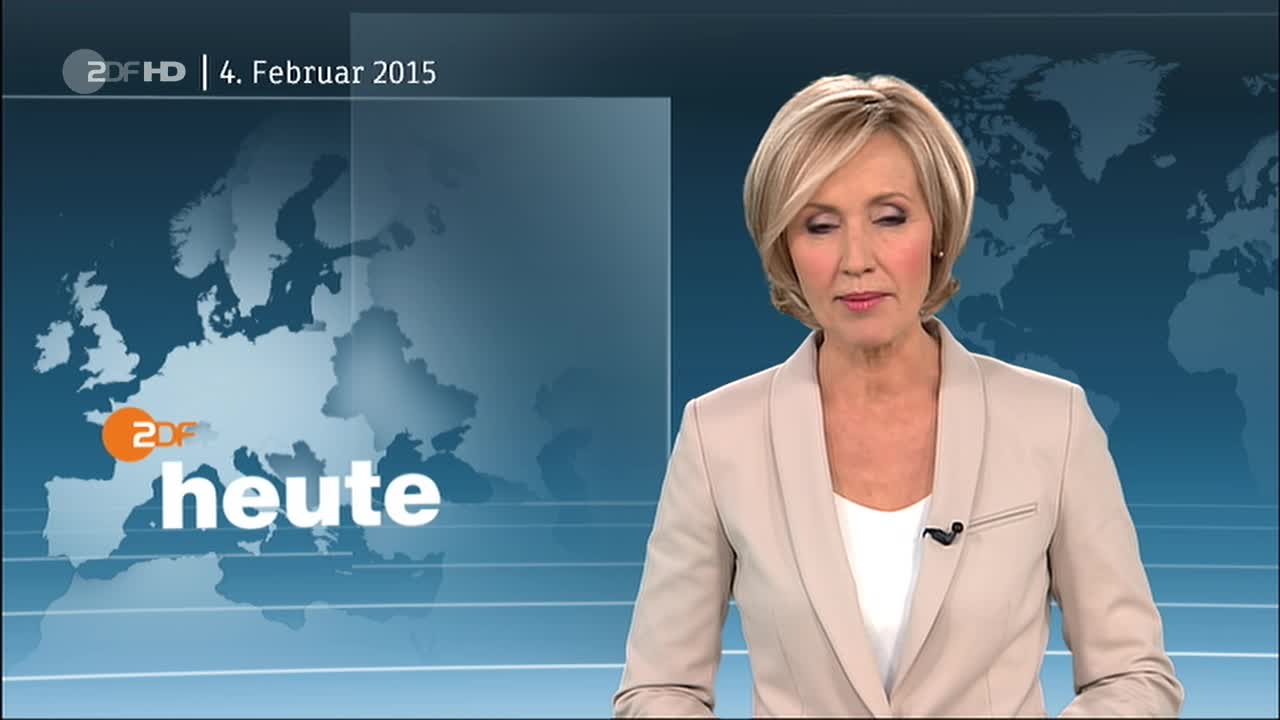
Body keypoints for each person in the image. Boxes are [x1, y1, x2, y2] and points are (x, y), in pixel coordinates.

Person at [613, 74, 1184, 718]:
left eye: (890, 218)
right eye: (819, 225)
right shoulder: (718, 436)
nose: (857, 259)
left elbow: (1132, 675)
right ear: (785, 248)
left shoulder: (1053, 423)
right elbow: (659, 688)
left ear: (938, 230)